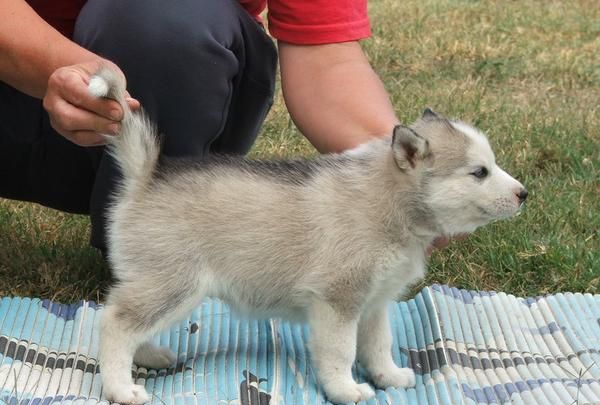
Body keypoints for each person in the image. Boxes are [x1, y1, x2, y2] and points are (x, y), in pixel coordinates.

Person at [0, 0, 451, 253]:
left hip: (171, 109)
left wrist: (408, 178)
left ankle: (151, 252)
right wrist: (64, 71)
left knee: (160, 19)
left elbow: (327, 62)